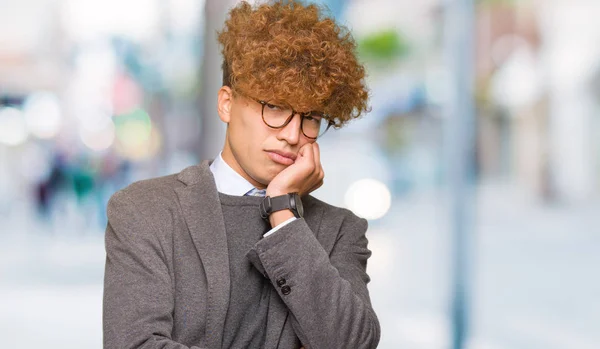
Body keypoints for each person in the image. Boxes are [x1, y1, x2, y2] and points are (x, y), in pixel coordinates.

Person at [102, 1, 380, 348]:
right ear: (226, 104)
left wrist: (284, 212)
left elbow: (351, 343)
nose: (293, 135)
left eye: (310, 117)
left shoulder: (340, 230)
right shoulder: (145, 210)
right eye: (275, 107)